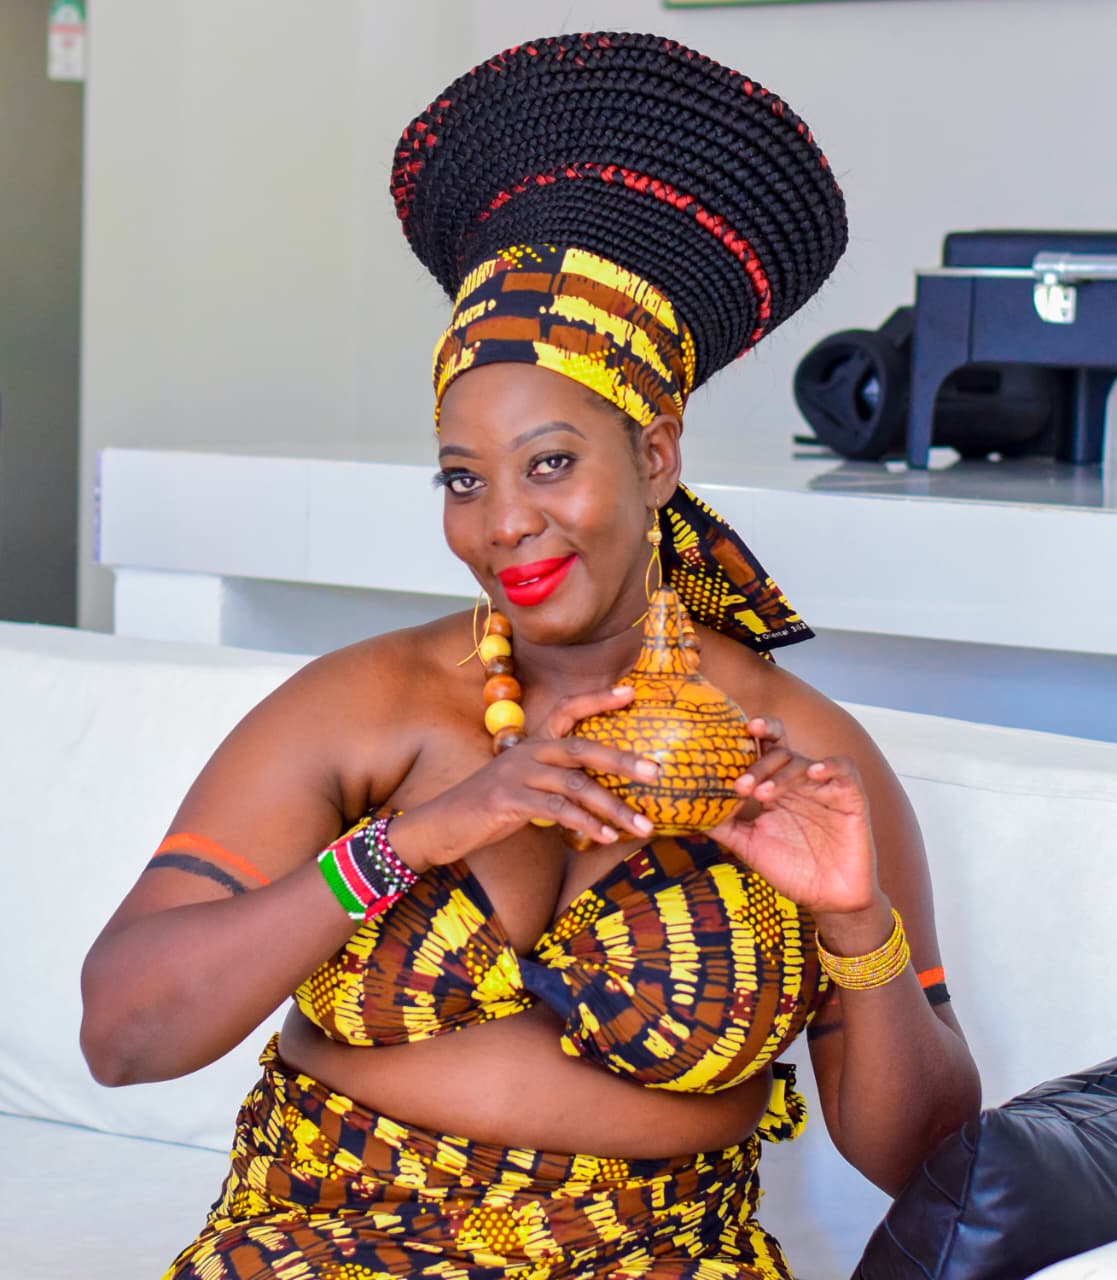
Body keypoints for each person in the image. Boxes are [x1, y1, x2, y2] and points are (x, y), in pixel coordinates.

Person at [81, 31, 980, 1280]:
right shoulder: (366, 704)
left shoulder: (800, 754)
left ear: (654, 456)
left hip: (656, 1257)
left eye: (550, 462)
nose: (502, 521)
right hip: (329, 1240)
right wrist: (419, 838)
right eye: (464, 478)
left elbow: (926, 1161)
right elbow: (123, 1035)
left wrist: (851, 919)